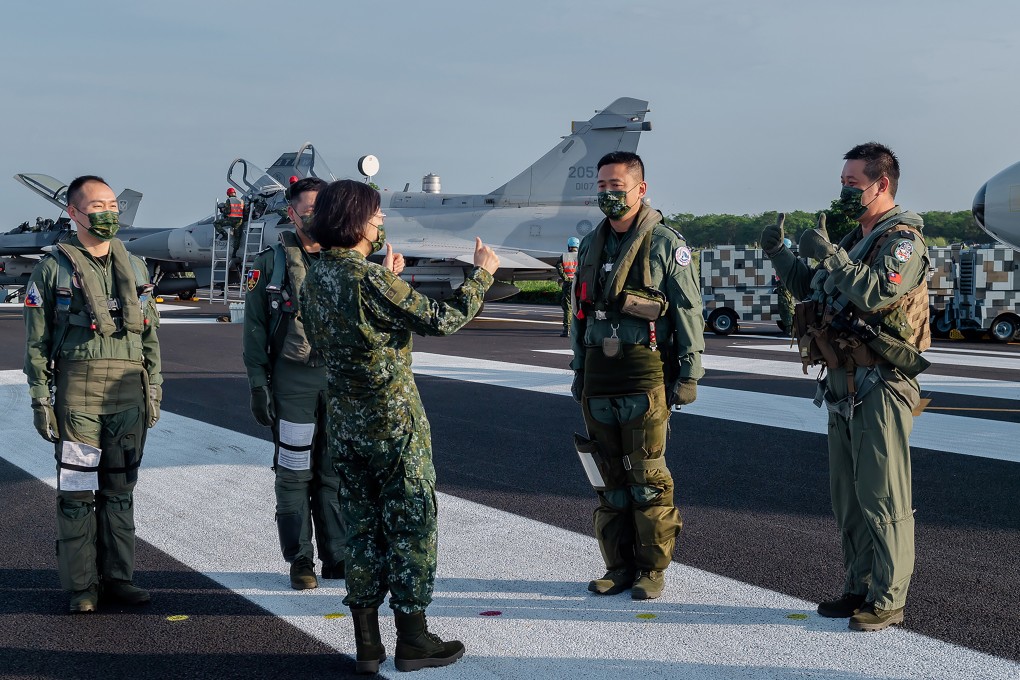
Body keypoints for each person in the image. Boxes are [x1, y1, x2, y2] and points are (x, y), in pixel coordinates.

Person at [300, 179, 499, 674]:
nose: (381, 221)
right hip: (393, 423)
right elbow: (441, 318)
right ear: (356, 220)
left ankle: (367, 644)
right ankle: (414, 639)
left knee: (362, 531)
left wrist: (384, 279)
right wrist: (481, 276)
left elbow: (350, 325)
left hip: (346, 423)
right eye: (376, 214)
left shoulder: (316, 276)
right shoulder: (367, 280)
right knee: (411, 525)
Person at [761, 142, 930, 632]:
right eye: (843, 182)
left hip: (880, 381)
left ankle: (889, 597)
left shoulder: (902, 241)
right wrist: (780, 254)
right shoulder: (857, 239)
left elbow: (877, 290)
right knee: (848, 496)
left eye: (852, 183)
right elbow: (816, 287)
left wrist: (832, 255)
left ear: (882, 185)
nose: (844, 190)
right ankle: (858, 585)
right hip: (842, 383)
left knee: (883, 493)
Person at [23, 175, 162, 613]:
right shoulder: (52, 268)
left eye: (111, 205)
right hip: (78, 397)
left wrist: (154, 387)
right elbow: (36, 342)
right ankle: (83, 586)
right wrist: (40, 398)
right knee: (78, 493)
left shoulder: (136, 267)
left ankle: (119, 579)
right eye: (96, 205)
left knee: (120, 491)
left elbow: (151, 337)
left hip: (127, 398)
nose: (107, 213)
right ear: (74, 213)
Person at [570, 152, 704, 601]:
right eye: (603, 186)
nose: (609, 193)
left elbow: (687, 312)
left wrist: (689, 373)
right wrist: (578, 368)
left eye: (617, 186)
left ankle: (651, 570)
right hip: (599, 376)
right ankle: (618, 566)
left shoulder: (666, 244)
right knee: (608, 479)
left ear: (640, 189)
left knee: (646, 476)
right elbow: (579, 314)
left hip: (645, 374)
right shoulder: (590, 244)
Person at [243, 177, 348, 590]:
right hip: (294, 383)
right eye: (308, 211)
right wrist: (257, 383)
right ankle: (300, 560)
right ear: (291, 213)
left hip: (339, 384)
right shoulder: (271, 264)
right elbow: (254, 329)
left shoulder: (348, 261)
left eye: (324, 211)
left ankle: (338, 556)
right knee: (293, 473)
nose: (317, 218)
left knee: (335, 473)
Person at [558, 236, 580, 336]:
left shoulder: (564, 256)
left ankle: (567, 330)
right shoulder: (582, 255)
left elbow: (559, 268)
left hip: (568, 284)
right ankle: (580, 329)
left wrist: (566, 278)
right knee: (580, 306)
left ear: (569, 245)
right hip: (579, 283)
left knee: (568, 307)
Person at [215, 187, 246, 255]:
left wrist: (223, 210)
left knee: (216, 223)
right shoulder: (241, 201)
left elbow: (228, 212)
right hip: (239, 221)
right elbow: (245, 211)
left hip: (231, 220)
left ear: (228, 194)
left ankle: (224, 235)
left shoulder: (229, 200)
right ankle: (234, 253)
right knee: (237, 237)